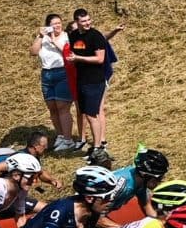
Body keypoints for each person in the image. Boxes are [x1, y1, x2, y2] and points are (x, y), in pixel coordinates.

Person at [64, 13, 122, 159]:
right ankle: (96, 148)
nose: (87, 23)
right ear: (77, 22)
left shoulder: (95, 36)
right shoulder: (74, 36)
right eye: (83, 21)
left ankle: (97, 148)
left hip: (95, 80)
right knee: (86, 114)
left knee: (92, 115)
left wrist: (78, 58)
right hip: (81, 80)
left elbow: (100, 59)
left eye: (89, 20)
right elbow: (71, 52)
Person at [34, 15, 74, 142]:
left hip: (62, 72)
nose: (57, 26)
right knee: (52, 107)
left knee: (62, 106)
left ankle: (68, 139)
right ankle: (60, 136)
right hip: (46, 74)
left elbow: (67, 53)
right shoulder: (43, 38)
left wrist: (53, 40)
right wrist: (40, 36)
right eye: (54, 24)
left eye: (59, 23)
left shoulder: (66, 36)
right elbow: (33, 52)